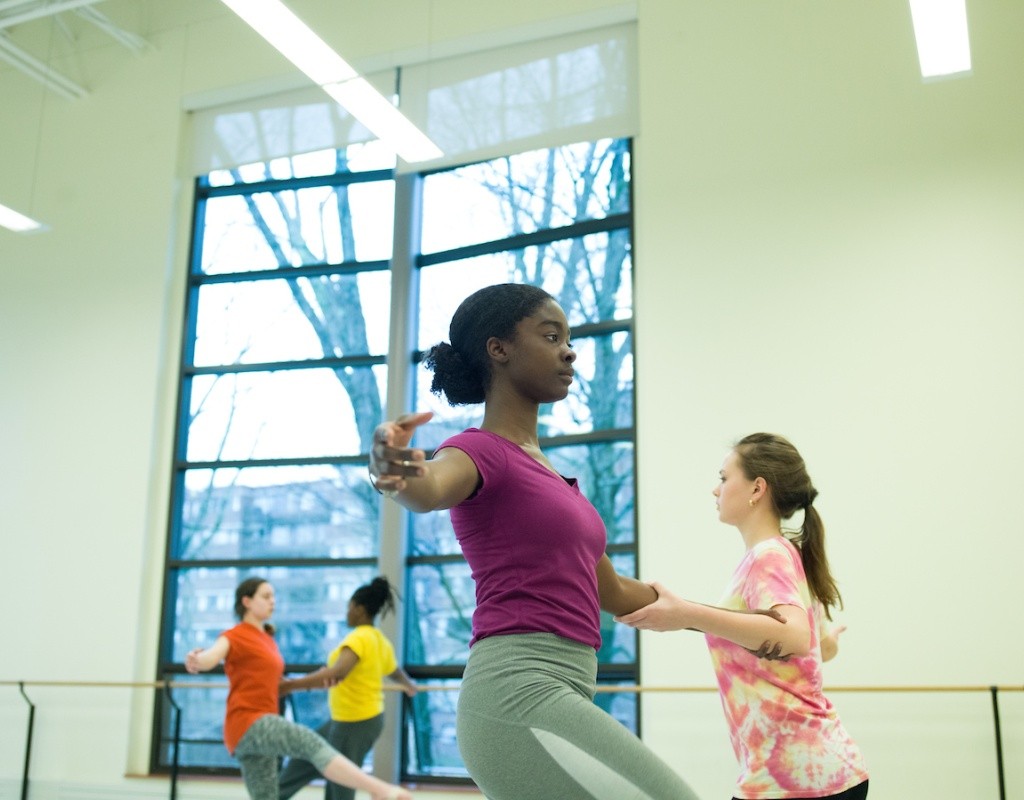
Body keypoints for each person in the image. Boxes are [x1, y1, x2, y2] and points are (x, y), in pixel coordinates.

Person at [369, 282, 700, 800]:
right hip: (516, 691)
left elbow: (612, 593)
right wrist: (393, 474)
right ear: (498, 349)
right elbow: (429, 487)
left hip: (565, 684)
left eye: (569, 338)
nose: (569, 349)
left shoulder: (552, 480)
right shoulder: (479, 451)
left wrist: (729, 620)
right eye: (551, 336)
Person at [615, 433, 869, 800]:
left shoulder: (769, 556)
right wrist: (827, 645)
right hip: (816, 773)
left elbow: (795, 636)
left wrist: (687, 613)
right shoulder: (783, 554)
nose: (715, 490)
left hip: (800, 780)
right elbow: (812, 648)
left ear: (757, 488)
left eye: (723, 478)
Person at [184, 576, 413, 800]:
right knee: (309, 743)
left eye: (273, 596)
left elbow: (327, 674)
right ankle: (378, 789)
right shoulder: (235, 635)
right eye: (266, 596)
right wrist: (198, 659)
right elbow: (212, 656)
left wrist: (303, 681)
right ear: (247, 602)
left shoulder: (268, 639)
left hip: (263, 729)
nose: (272, 601)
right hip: (249, 722)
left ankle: (378, 789)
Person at [277, 576, 419, 800]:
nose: (347, 613)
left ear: (360, 610)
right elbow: (394, 671)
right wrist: (410, 685)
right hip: (353, 718)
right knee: (307, 755)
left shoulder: (360, 638)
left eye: (349, 608)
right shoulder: (379, 640)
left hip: (355, 722)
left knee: (339, 784)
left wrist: (289, 686)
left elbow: (337, 673)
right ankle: (271, 795)